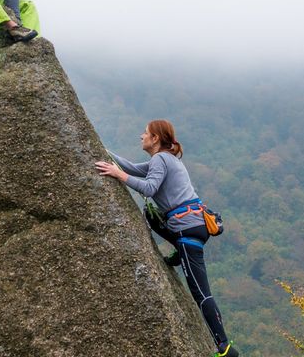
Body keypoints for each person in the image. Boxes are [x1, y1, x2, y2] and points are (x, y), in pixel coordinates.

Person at [94, 119, 239, 357]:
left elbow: (149, 188)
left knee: (200, 293)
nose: (141, 136)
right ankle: (176, 251)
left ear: (155, 139)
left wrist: (118, 175)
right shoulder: (166, 159)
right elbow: (131, 167)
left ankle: (225, 348)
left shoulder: (160, 159)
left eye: (145, 133)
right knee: (151, 215)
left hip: (187, 230)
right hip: (194, 223)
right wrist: (105, 152)